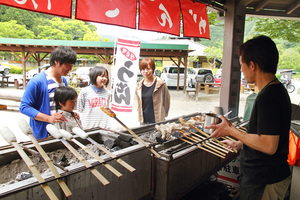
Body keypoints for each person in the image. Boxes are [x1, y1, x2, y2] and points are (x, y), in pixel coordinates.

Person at [206, 36, 291, 200]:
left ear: (252, 65)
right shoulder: (275, 90)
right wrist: (240, 143)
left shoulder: (268, 97)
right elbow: (265, 135)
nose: (241, 70)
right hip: (262, 178)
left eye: (242, 65)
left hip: (266, 180)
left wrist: (231, 130)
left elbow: (269, 146)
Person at [20, 46, 77, 139]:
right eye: (68, 65)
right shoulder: (37, 81)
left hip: (60, 132)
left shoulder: (63, 81)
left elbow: (61, 105)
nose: (70, 69)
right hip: (44, 133)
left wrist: (71, 113)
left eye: (72, 65)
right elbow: (24, 107)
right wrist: (48, 118)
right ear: (56, 62)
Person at [135, 58, 170, 124]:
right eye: (143, 69)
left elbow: (167, 101)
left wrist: (164, 114)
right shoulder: (139, 86)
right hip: (143, 120)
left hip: (158, 119)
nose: (146, 71)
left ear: (153, 69)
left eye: (148, 69)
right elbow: (139, 103)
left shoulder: (161, 84)